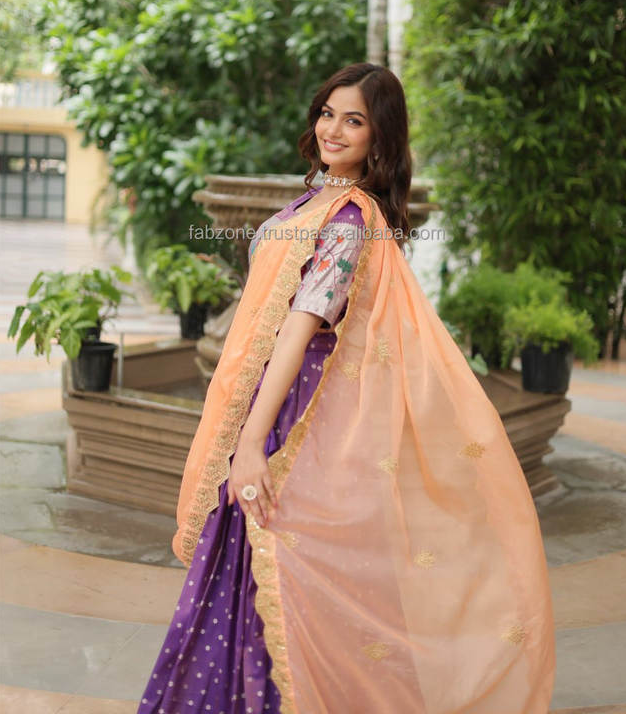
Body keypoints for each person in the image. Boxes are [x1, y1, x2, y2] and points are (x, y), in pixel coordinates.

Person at [137, 63, 555, 714]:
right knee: (257, 573)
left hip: (295, 419)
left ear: (378, 137)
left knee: (277, 572)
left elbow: (301, 326)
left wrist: (251, 444)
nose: (333, 129)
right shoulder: (318, 201)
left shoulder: (349, 220)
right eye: (327, 113)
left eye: (353, 120)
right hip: (280, 404)